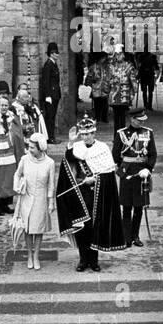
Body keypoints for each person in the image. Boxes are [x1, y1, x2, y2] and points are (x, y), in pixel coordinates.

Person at [55, 115, 125, 273]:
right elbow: (68, 160)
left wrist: (94, 179)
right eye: (83, 134)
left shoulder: (103, 149)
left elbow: (108, 173)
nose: (85, 137)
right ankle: (83, 259)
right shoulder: (77, 147)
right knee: (81, 226)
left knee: (94, 225)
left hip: (97, 192)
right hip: (79, 193)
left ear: (94, 133)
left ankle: (93, 260)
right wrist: (71, 141)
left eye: (88, 134)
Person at [112, 106, 156, 247]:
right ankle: (126, 237)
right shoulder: (121, 134)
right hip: (127, 172)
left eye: (143, 120)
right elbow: (115, 154)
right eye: (139, 120)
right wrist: (123, 167)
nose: (141, 122)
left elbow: (152, 154)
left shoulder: (148, 133)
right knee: (126, 207)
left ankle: (135, 235)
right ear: (132, 119)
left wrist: (148, 168)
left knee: (139, 207)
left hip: (142, 173)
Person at [12, 133, 56, 270]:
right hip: (26, 197)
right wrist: (17, 186)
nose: (29, 149)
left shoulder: (50, 163)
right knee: (27, 229)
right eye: (29, 146)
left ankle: (36, 256)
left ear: (40, 148)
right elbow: (17, 174)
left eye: (32, 147)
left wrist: (51, 202)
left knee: (38, 230)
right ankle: (29, 255)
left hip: (41, 199)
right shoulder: (25, 159)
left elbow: (51, 185)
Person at [107, 44, 139, 132]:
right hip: (114, 96)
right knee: (116, 117)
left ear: (123, 54)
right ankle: (116, 136)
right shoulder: (111, 66)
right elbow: (108, 80)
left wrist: (134, 89)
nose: (118, 56)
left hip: (125, 95)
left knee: (123, 117)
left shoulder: (129, 66)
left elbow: (133, 80)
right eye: (117, 54)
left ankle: (123, 135)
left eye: (120, 54)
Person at [39, 43, 62, 144]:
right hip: (51, 95)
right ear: (52, 54)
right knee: (50, 117)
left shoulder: (53, 63)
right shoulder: (48, 65)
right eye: (56, 53)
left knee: (52, 116)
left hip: (55, 94)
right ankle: (50, 137)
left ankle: (51, 136)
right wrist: (47, 95)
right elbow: (46, 81)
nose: (57, 55)